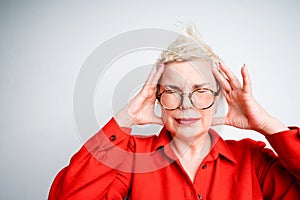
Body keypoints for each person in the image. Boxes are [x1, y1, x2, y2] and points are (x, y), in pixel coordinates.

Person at [49, 24, 300, 199]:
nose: (186, 104)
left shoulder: (252, 159)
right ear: (156, 98)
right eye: (172, 91)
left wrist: (268, 125)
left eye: (200, 90)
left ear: (219, 96)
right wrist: (125, 118)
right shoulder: (134, 158)